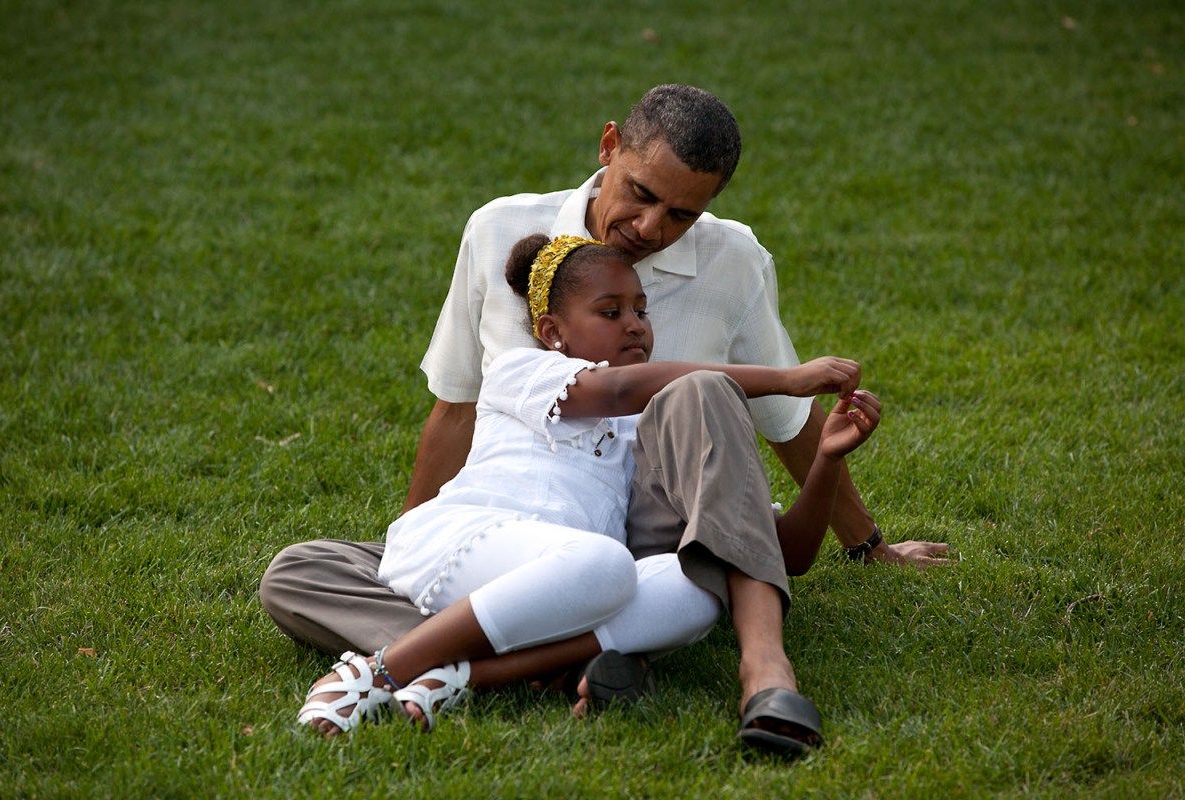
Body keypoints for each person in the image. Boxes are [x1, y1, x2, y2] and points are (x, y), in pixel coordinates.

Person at [261, 83, 945, 751]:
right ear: (609, 145)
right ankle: (560, 653)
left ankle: (744, 668)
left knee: (694, 544)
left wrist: (864, 539)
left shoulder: (733, 262)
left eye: (681, 215)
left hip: (626, 535)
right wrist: (412, 533)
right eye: (641, 194)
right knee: (301, 573)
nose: (651, 228)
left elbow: (787, 422)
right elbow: (459, 407)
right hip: (497, 534)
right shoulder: (499, 240)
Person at [285, 234, 880, 760]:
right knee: (599, 564)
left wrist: (827, 462)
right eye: (611, 311)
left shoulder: (655, 427)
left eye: (641, 310)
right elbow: (618, 388)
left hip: (569, 581)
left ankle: (466, 673)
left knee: (697, 591)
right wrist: (785, 380)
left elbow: (779, 553)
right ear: (552, 333)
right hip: (470, 540)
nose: (635, 325)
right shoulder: (522, 371)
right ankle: (381, 671)